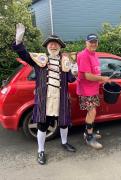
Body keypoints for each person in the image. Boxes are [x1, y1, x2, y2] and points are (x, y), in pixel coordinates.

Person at [12, 23, 77, 165]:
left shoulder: (66, 61)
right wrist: (18, 41)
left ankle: (64, 142)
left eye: (56, 44)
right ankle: (40, 150)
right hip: (44, 99)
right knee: (42, 125)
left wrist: (74, 70)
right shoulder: (39, 60)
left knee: (64, 123)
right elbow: (23, 54)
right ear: (47, 47)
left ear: (60, 47)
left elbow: (71, 79)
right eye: (51, 44)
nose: (53, 46)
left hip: (61, 98)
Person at [77, 34, 110, 149]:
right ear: (86, 43)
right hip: (86, 90)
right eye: (91, 42)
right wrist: (102, 78)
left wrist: (101, 79)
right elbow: (87, 76)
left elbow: (95, 72)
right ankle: (89, 137)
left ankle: (88, 133)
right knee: (92, 112)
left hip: (93, 89)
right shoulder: (84, 55)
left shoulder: (94, 55)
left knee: (91, 112)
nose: (93, 44)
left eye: (95, 41)